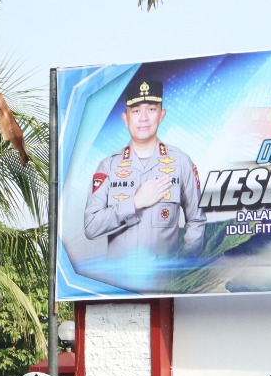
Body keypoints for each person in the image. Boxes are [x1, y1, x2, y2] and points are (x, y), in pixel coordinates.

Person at [82, 78, 206, 259]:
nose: (144, 118)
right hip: (118, 276)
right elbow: (91, 226)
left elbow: (196, 220)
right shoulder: (108, 166)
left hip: (165, 276)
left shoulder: (181, 162)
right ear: (125, 118)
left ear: (161, 114)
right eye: (136, 111)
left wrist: (185, 266)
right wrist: (134, 203)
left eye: (151, 109)